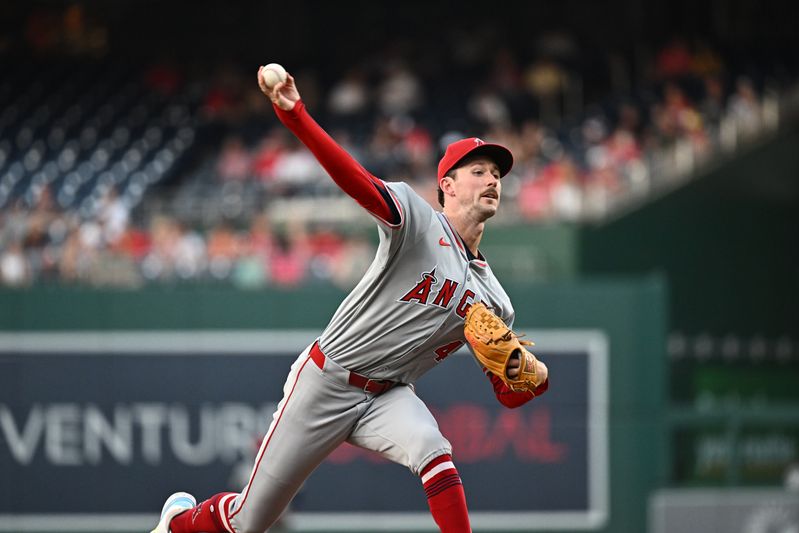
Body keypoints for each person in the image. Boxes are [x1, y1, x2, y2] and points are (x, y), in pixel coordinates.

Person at [151, 65, 550, 533]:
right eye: (478, 171)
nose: (492, 180)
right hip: (327, 380)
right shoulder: (418, 222)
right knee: (248, 521)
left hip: (390, 394)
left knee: (432, 447)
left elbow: (509, 396)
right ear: (447, 185)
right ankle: (178, 523)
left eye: (497, 173)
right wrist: (296, 115)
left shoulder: (494, 299)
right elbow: (354, 178)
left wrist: (531, 377)